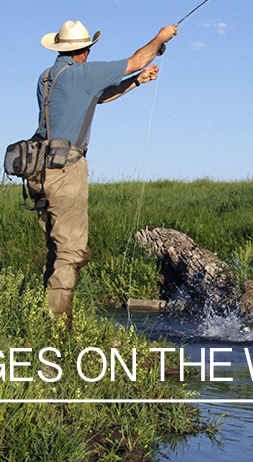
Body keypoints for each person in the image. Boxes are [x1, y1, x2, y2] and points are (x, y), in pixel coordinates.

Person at [29, 19, 177, 328]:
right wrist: (160, 38)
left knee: (55, 248)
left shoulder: (47, 78)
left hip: (39, 170)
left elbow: (97, 97)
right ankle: (57, 331)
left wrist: (136, 82)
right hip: (65, 170)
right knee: (71, 251)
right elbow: (137, 59)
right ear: (84, 51)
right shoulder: (82, 73)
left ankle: (44, 317)